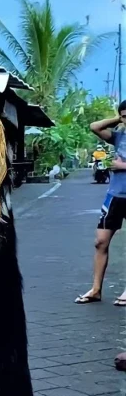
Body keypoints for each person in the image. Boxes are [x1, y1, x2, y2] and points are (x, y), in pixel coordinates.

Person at [75, 100, 126, 308]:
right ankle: (96, 290)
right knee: (100, 242)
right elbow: (94, 127)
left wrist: (121, 165)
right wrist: (119, 117)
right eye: (124, 116)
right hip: (115, 196)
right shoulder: (119, 136)